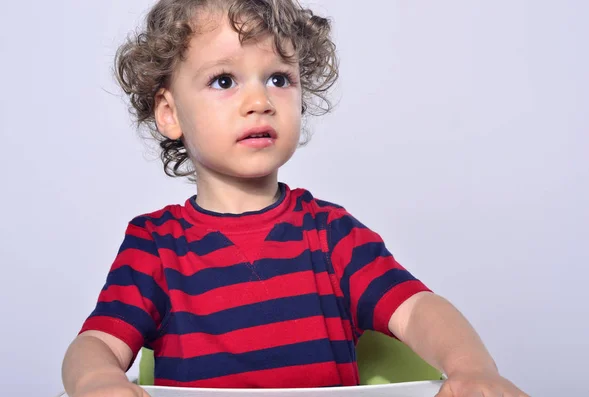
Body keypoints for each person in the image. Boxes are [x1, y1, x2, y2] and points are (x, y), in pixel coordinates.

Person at [61, 1, 529, 396]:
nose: (260, 100)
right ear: (169, 113)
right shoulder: (155, 245)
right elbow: (96, 344)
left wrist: (471, 368)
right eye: (224, 80)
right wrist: (98, 380)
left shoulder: (331, 234)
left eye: (279, 79)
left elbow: (419, 309)